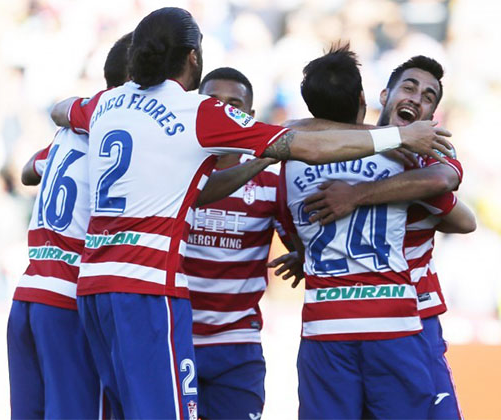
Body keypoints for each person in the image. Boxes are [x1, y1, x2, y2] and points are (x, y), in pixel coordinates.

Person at [49, 7, 452, 418]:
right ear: (193, 59)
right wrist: (397, 137)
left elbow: (60, 110)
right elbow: (309, 147)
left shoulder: (107, 104)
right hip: (149, 286)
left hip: (95, 284)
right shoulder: (199, 114)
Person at [275, 47, 473, 419]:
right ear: (381, 96)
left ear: (432, 115)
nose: (416, 98)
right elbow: (463, 217)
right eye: (409, 88)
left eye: (427, 97)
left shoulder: (417, 155)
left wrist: (356, 197)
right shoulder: (403, 155)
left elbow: (461, 214)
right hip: (392, 318)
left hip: (414, 312)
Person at [7, 32, 132, 419]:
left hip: (29, 291)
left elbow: (29, 170)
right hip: (68, 297)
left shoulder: (70, 131)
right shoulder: (122, 135)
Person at [184, 67, 294, 420]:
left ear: (249, 117)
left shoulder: (271, 180)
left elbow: (302, 240)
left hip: (236, 344)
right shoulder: (173, 169)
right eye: (214, 103)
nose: (224, 112)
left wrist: (303, 252)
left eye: (234, 106)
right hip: (172, 338)